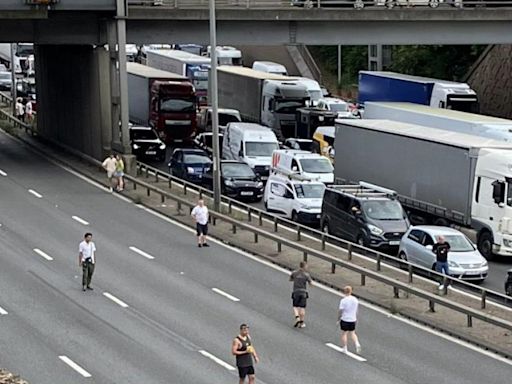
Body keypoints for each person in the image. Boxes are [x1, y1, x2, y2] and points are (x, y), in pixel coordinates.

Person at [338, 285, 361, 354]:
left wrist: (338, 318)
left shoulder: (343, 301)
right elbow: (356, 310)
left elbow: (341, 311)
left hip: (345, 319)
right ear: (351, 291)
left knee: (344, 333)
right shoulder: (355, 300)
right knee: (353, 333)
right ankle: (357, 343)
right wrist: (356, 317)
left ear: (344, 292)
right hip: (353, 319)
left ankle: (345, 348)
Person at [289, 261, 312, 328]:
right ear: (304, 266)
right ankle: (302, 322)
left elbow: (290, 279)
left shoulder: (294, 273)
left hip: (296, 292)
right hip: (303, 292)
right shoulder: (306, 275)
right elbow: (311, 283)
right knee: (302, 307)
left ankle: (297, 318)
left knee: (295, 306)